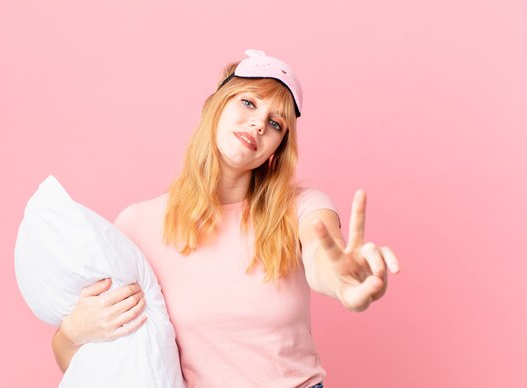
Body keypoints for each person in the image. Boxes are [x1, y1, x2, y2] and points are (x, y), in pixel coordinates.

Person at [51, 49, 400, 388]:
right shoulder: (138, 225)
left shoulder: (301, 206)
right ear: (217, 105)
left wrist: (343, 280)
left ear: (277, 148)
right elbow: (98, 367)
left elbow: (323, 255)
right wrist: (72, 333)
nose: (258, 124)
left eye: (275, 123)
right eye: (248, 103)